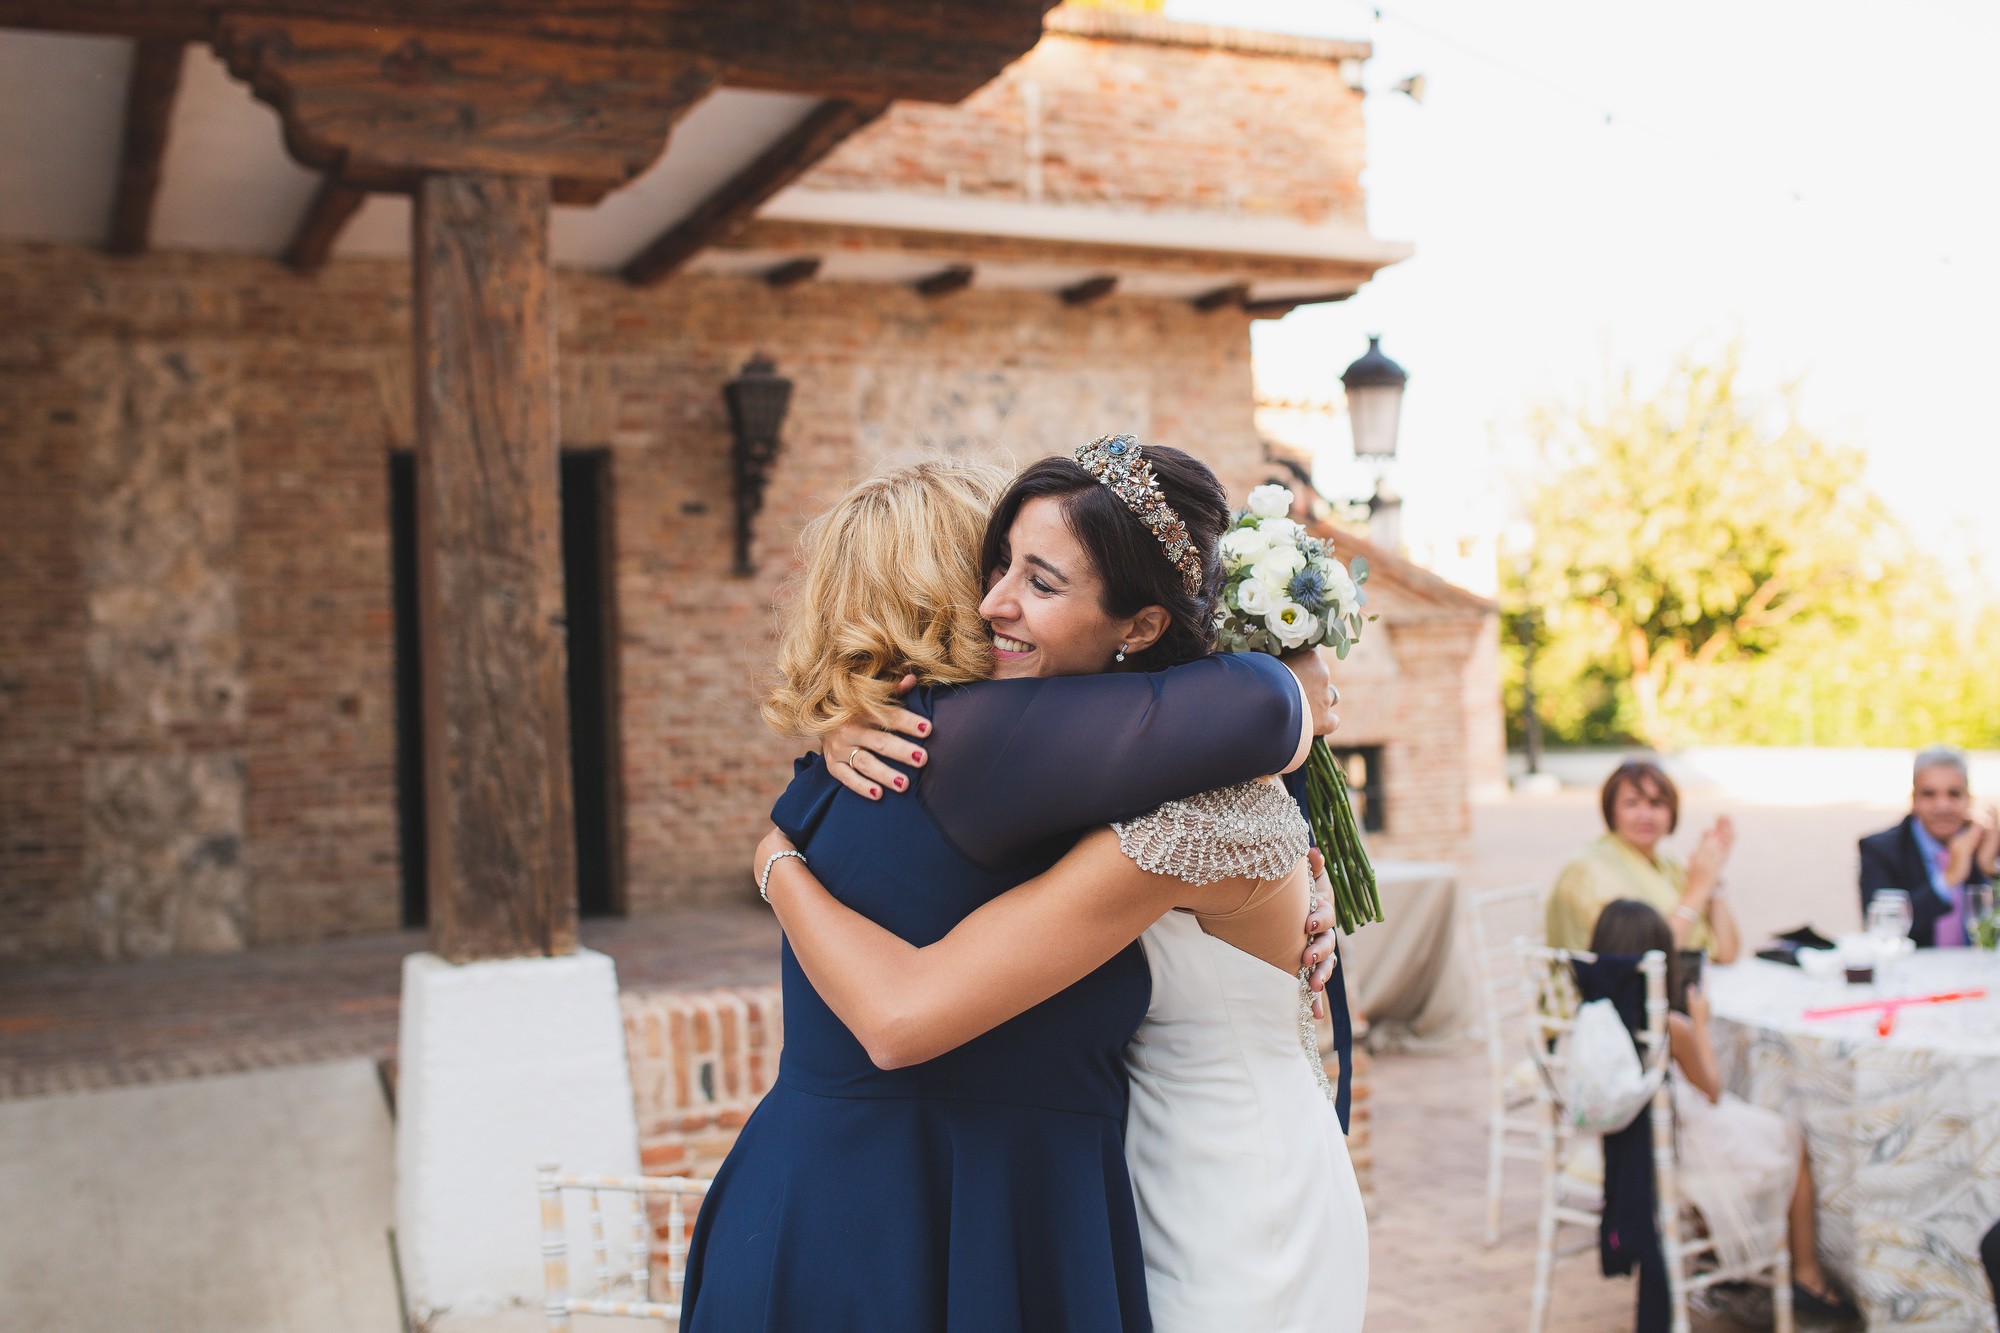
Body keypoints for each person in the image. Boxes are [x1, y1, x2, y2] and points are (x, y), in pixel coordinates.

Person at [678, 449, 1349, 1331]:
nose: (997, 599)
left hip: (803, 1203)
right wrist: (1301, 687)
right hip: (937, 1210)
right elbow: (1257, 712)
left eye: (1032, 576)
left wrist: (780, 841)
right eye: (992, 567)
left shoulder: (863, 766)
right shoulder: (974, 746)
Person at [1589, 900, 1857, 1324]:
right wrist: (1698, 1022)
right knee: (1789, 1136)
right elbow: (1711, 1089)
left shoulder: (1592, 1012)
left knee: (1764, 1130)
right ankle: (1806, 1272)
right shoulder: (1668, 1023)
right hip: (1679, 1146)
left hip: (1622, 1143)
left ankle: (1724, 1262)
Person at [1546, 760, 1740, 964]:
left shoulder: (1669, 865)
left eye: (1656, 803)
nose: (1645, 815)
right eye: (1632, 803)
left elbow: (1726, 954)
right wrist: (1698, 890)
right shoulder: (1588, 869)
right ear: (1611, 810)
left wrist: (1713, 878)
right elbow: (1644, 963)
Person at [1859, 745, 1998, 948]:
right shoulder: (1880, 849)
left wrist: (1991, 871)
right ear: (1913, 800)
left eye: (1954, 794)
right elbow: (1884, 928)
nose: (1943, 805)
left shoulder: (1989, 844)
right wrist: (1950, 878)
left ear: (1969, 799)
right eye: (1929, 794)